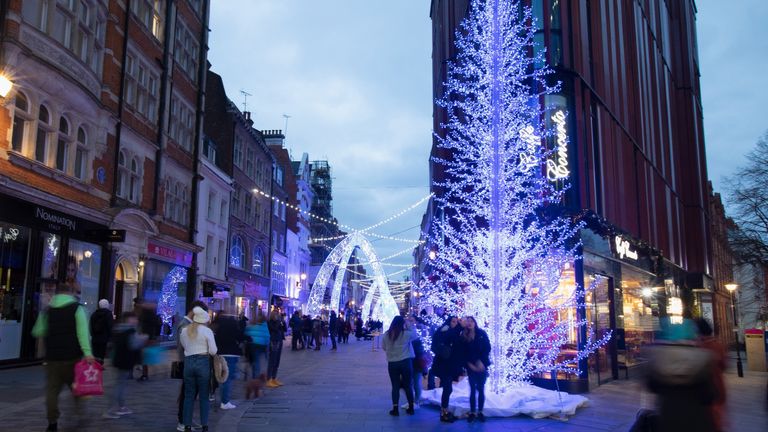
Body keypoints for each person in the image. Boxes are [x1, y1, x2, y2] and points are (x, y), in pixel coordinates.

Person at [32, 282, 95, 432]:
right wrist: (88, 354)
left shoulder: (47, 311)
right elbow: (83, 334)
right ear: (71, 293)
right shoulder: (77, 309)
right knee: (77, 389)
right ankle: (80, 416)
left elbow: (37, 331)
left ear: (57, 293)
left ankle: (52, 423)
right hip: (72, 358)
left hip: (52, 358)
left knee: (52, 391)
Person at [646, 318, 717, 432]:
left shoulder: (660, 358)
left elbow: (651, 386)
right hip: (697, 419)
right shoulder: (702, 357)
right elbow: (710, 395)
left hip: (668, 417)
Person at [103, 312, 147, 419]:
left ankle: (121, 407)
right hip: (125, 361)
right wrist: (143, 339)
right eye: (134, 318)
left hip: (118, 360)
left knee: (120, 384)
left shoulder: (118, 329)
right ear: (129, 319)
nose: (136, 321)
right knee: (120, 385)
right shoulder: (129, 331)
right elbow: (133, 345)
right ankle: (111, 409)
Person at [180, 306, 218, 432]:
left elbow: (184, 346)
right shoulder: (207, 331)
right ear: (205, 320)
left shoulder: (185, 331)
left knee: (188, 396)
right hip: (203, 363)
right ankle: (204, 425)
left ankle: (187, 425)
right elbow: (213, 351)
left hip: (189, 363)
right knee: (203, 396)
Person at [175, 300, 208, 432]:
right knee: (187, 394)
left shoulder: (190, 325)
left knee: (190, 393)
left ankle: (186, 419)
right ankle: (182, 422)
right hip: (188, 362)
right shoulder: (184, 325)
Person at [695, 318, 727, 432]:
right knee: (717, 420)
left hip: (704, 389)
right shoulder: (718, 344)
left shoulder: (698, 347)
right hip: (718, 386)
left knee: (707, 420)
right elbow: (724, 365)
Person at [382, 315, 418, 416]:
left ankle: (395, 409)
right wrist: (409, 324)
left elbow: (384, 347)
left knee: (395, 386)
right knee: (408, 386)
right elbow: (415, 335)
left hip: (393, 363)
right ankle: (411, 408)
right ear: (402, 324)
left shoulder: (386, 335)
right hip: (405, 362)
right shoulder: (406, 334)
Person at [430, 316, 463, 423]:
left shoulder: (445, 330)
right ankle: (444, 412)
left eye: (456, 322)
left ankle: (444, 410)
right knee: (447, 388)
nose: (455, 323)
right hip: (444, 366)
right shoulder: (446, 330)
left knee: (447, 388)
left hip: (447, 365)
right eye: (453, 321)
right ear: (449, 322)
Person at [212, 306, 244, 410]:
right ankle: (225, 401)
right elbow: (239, 336)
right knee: (228, 378)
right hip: (231, 353)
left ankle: (223, 400)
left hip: (221, 353)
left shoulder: (219, 324)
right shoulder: (232, 323)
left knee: (223, 377)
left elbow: (216, 339)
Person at [460, 316, 490, 422]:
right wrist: (469, 364)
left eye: (471, 321)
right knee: (472, 389)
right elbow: (463, 353)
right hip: (471, 367)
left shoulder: (481, 333)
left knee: (481, 389)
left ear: (475, 322)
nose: (469, 323)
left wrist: (481, 362)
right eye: (467, 322)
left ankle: (480, 411)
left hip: (482, 366)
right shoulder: (464, 336)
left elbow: (487, 348)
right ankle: (472, 412)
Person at [407, 316, 427, 405]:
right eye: (409, 320)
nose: (410, 322)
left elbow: (420, 350)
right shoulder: (407, 332)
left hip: (417, 361)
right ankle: (412, 401)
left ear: (415, 321)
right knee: (409, 383)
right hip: (408, 361)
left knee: (416, 382)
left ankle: (417, 401)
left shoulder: (418, 333)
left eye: (412, 320)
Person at [245, 312, 269, 380]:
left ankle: (255, 376)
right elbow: (267, 336)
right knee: (257, 361)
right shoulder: (265, 325)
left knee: (255, 361)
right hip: (262, 345)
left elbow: (246, 333)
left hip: (253, 345)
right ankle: (256, 375)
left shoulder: (251, 324)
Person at [89, 299, 114, 364]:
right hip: (104, 338)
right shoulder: (108, 314)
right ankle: (100, 365)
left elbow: (91, 325)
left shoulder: (94, 314)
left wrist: (92, 334)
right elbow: (110, 326)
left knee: (96, 353)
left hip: (95, 338)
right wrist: (111, 337)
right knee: (101, 353)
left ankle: (95, 366)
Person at [266, 310, 286, 388]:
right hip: (273, 341)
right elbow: (274, 329)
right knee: (272, 361)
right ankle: (268, 379)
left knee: (277, 361)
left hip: (279, 340)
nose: (277, 316)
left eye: (278, 315)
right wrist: (279, 322)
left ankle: (274, 378)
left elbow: (285, 329)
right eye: (276, 315)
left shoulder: (279, 322)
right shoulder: (270, 322)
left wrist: (283, 322)